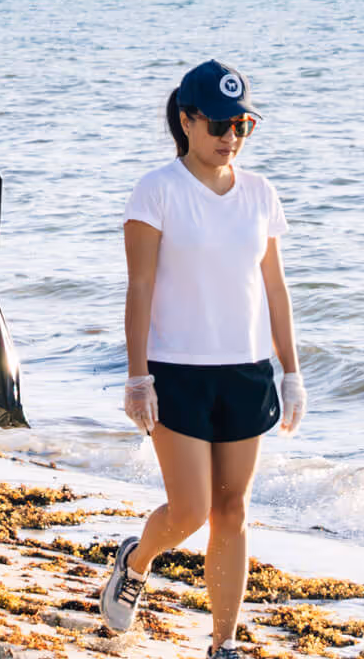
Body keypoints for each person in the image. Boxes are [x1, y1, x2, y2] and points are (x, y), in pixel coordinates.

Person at [97, 60, 307, 657]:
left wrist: (291, 373)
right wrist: (138, 377)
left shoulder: (261, 193)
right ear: (186, 119)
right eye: (217, 123)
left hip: (246, 370)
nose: (229, 137)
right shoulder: (157, 189)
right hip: (176, 370)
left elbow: (275, 289)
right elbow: (139, 288)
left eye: (241, 124)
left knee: (233, 508)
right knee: (190, 508)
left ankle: (223, 644)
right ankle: (136, 562)